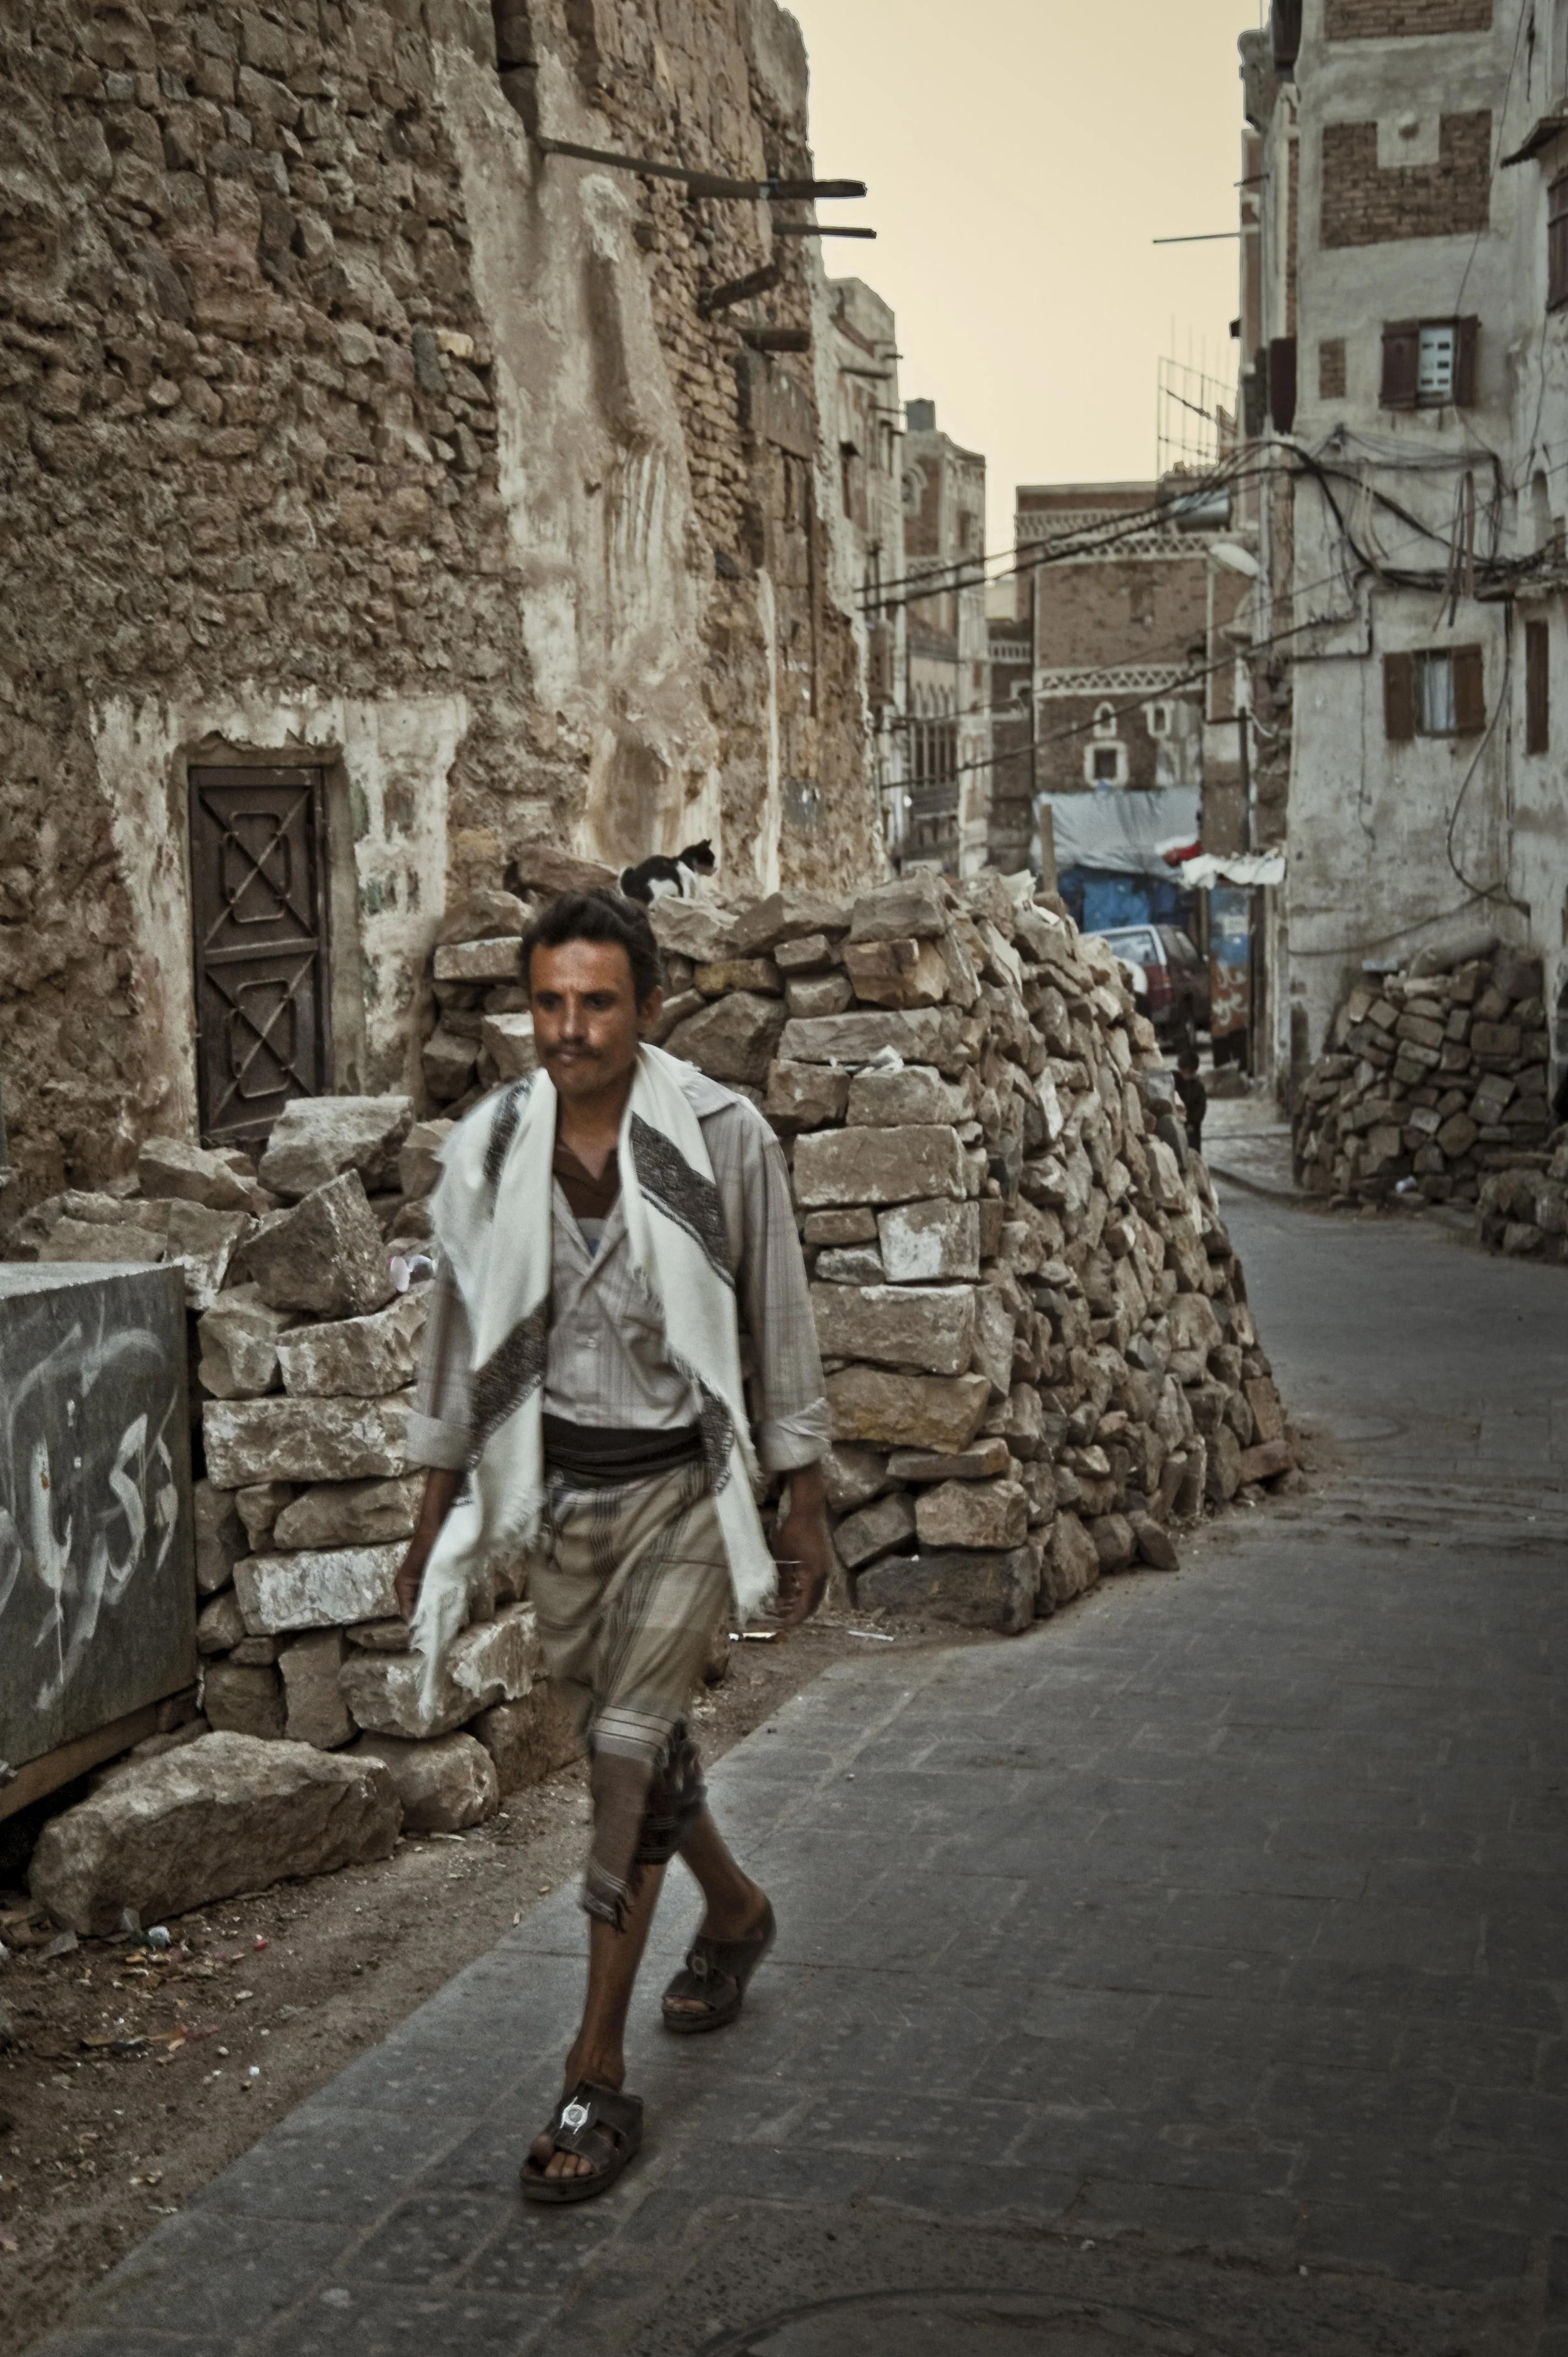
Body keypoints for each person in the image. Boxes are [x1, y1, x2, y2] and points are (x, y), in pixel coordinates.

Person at [395, 887, 834, 2205]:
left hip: (684, 1493)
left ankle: (594, 2071)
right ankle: (736, 1910)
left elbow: (778, 1315)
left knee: (622, 1764)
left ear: (649, 1007)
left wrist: (804, 1497)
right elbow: (458, 1343)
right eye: (548, 1002)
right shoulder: (498, 1146)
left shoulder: (720, 1134)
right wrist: (431, 1516)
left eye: (597, 1002)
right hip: (562, 1502)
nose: (570, 1028)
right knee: (633, 1744)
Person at [1175, 1047, 1207, 1157]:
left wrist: (1193, 1123)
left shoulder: (1198, 1087)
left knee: (1193, 1154)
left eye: (1188, 1073)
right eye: (1183, 1072)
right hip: (1179, 1125)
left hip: (1193, 1129)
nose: (1185, 1076)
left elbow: (1201, 1107)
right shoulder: (1177, 1084)